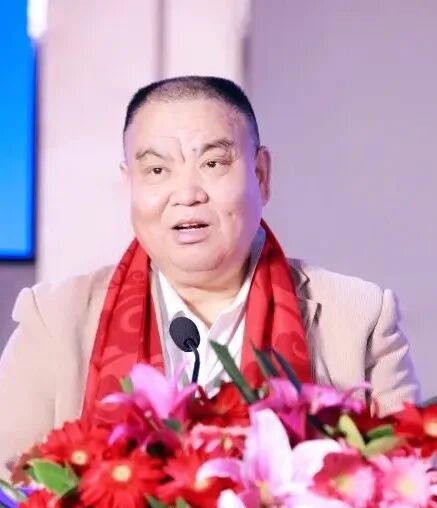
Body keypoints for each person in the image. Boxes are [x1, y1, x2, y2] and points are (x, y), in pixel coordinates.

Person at [0, 75, 419, 475]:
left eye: (213, 163)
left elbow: (408, 488)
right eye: (157, 171)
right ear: (130, 185)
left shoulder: (359, 319)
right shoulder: (56, 319)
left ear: (261, 175)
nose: (186, 194)